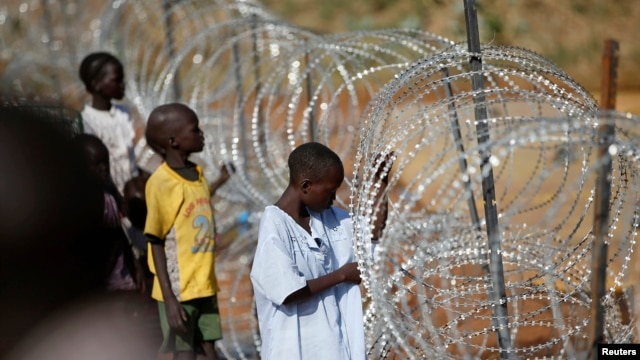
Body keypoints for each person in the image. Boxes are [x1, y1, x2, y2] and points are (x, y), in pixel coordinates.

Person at [249, 142, 392, 359]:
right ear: (306, 185)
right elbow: (288, 292)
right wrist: (342, 275)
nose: (333, 199)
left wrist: (380, 181)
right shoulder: (274, 226)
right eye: (330, 192)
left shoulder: (327, 219)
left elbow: (372, 229)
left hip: (336, 348)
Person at [144, 103, 232, 360]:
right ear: (173, 141)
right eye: (195, 130)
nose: (202, 134)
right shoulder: (161, 183)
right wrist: (169, 299)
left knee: (209, 350)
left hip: (204, 284)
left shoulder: (197, 173)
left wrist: (221, 181)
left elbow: (197, 198)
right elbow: (155, 240)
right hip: (179, 290)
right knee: (184, 353)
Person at [71, 133, 145, 294]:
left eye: (106, 162)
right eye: (97, 164)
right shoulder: (75, 205)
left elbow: (120, 234)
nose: (104, 168)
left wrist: (135, 264)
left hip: (122, 281)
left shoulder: (110, 196)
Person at [79, 51, 137, 195]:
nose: (123, 85)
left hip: (134, 192)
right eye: (117, 80)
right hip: (112, 196)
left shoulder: (123, 113)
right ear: (96, 84)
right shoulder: (87, 122)